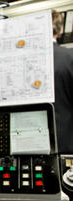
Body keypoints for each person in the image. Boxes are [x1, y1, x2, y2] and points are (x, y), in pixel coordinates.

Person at [52, 10, 73, 154]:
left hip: (22, 147)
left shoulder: (16, 62)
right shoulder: (69, 58)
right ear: (59, 31)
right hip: (65, 145)